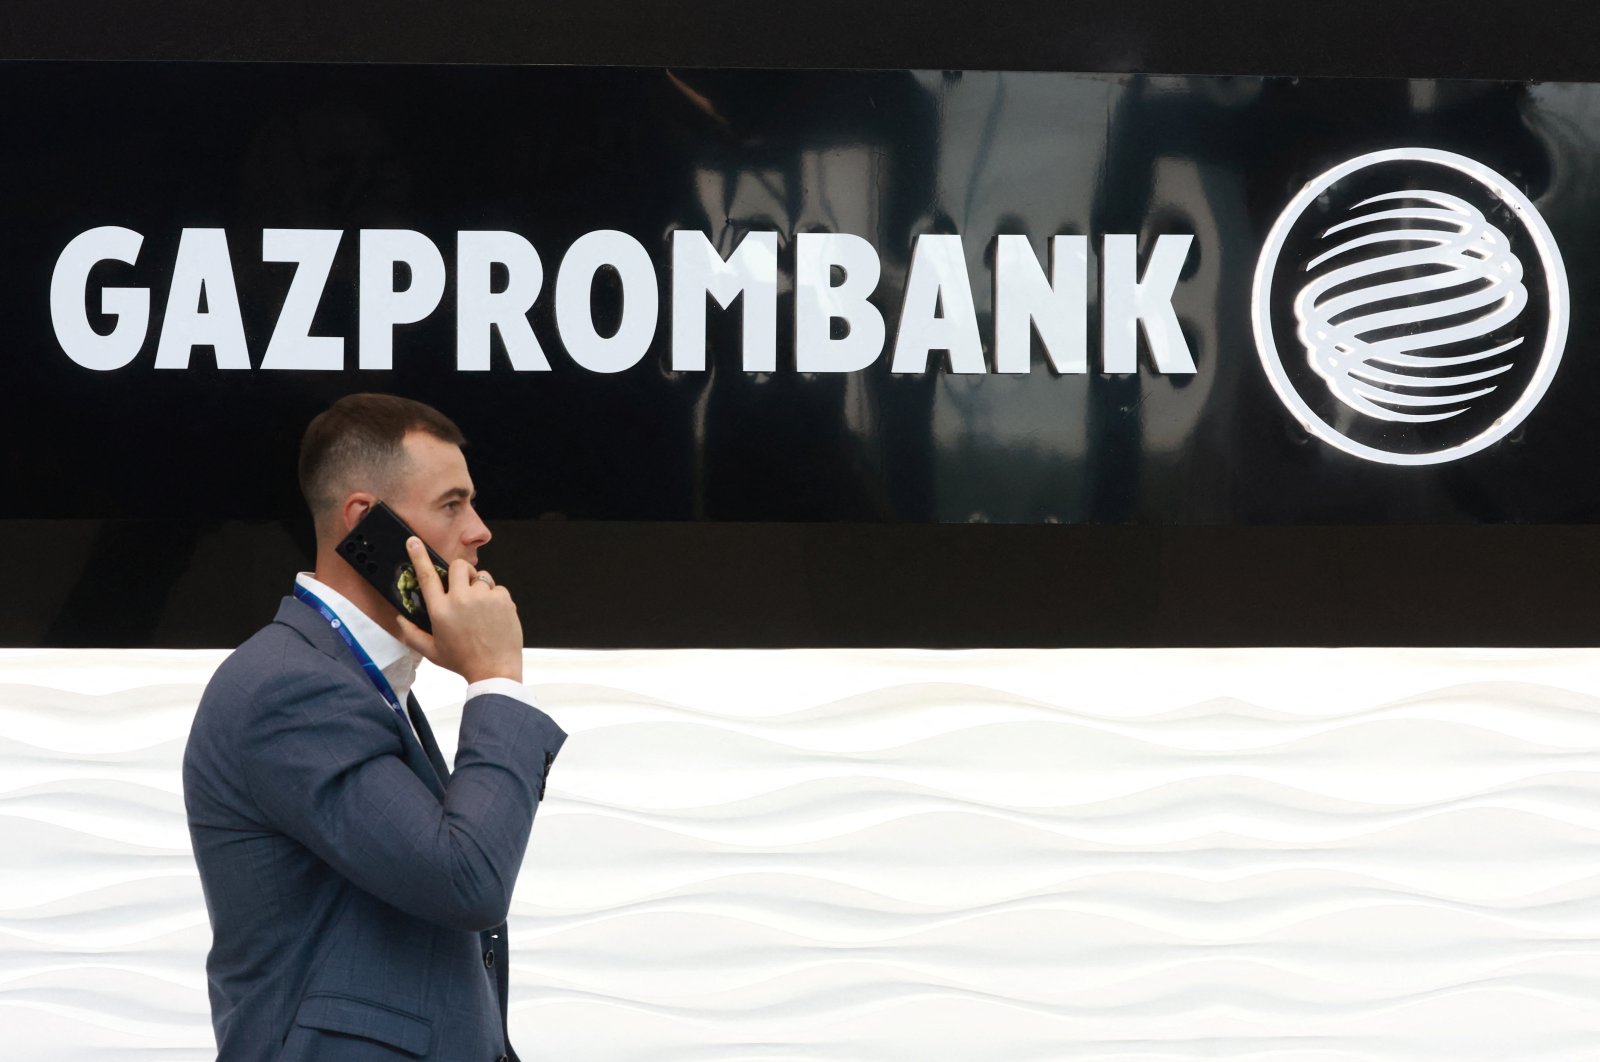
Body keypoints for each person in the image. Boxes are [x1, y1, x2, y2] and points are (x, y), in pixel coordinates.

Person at [183, 393, 565, 1061]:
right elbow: (465, 878)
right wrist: (496, 677)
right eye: (452, 504)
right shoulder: (290, 687)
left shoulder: (352, 680)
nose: (479, 530)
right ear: (367, 522)